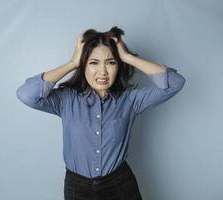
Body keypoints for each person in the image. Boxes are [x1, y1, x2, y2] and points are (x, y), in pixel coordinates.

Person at [16, 26, 186, 200]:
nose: (103, 71)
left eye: (111, 62)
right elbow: (26, 94)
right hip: (77, 187)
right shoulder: (66, 99)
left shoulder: (131, 100)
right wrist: (72, 63)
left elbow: (175, 83)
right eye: (93, 62)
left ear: (118, 66)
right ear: (83, 66)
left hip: (120, 184)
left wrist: (128, 57)